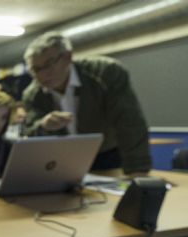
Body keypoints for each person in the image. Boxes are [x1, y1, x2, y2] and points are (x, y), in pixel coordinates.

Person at [21, 32, 151, 175]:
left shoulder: (105, 72)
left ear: (68, 57)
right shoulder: (32, 95)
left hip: (108, 155)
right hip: (64, 160)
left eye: (49, 64)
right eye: (36, 69)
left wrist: (137, 170)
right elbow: (29, 134)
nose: (43, 74)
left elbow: (129, 122)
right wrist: (43, 126)